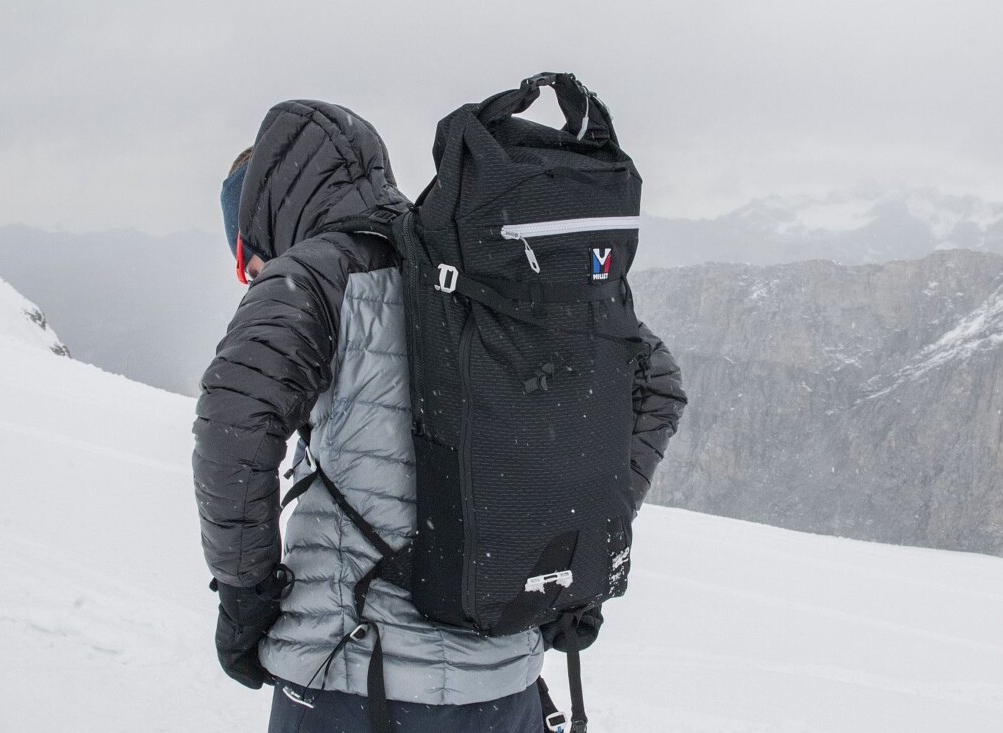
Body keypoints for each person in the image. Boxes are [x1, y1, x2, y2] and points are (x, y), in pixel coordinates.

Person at [193, 99, 687, 732]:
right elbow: (654, 384)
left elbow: (236, 418)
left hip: (356, 681)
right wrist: (574, 556)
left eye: (246, 262)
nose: (252, 279)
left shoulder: (315, 277)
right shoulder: (473, 269)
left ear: (264, 222)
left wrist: (245, 594)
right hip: (507, 683)